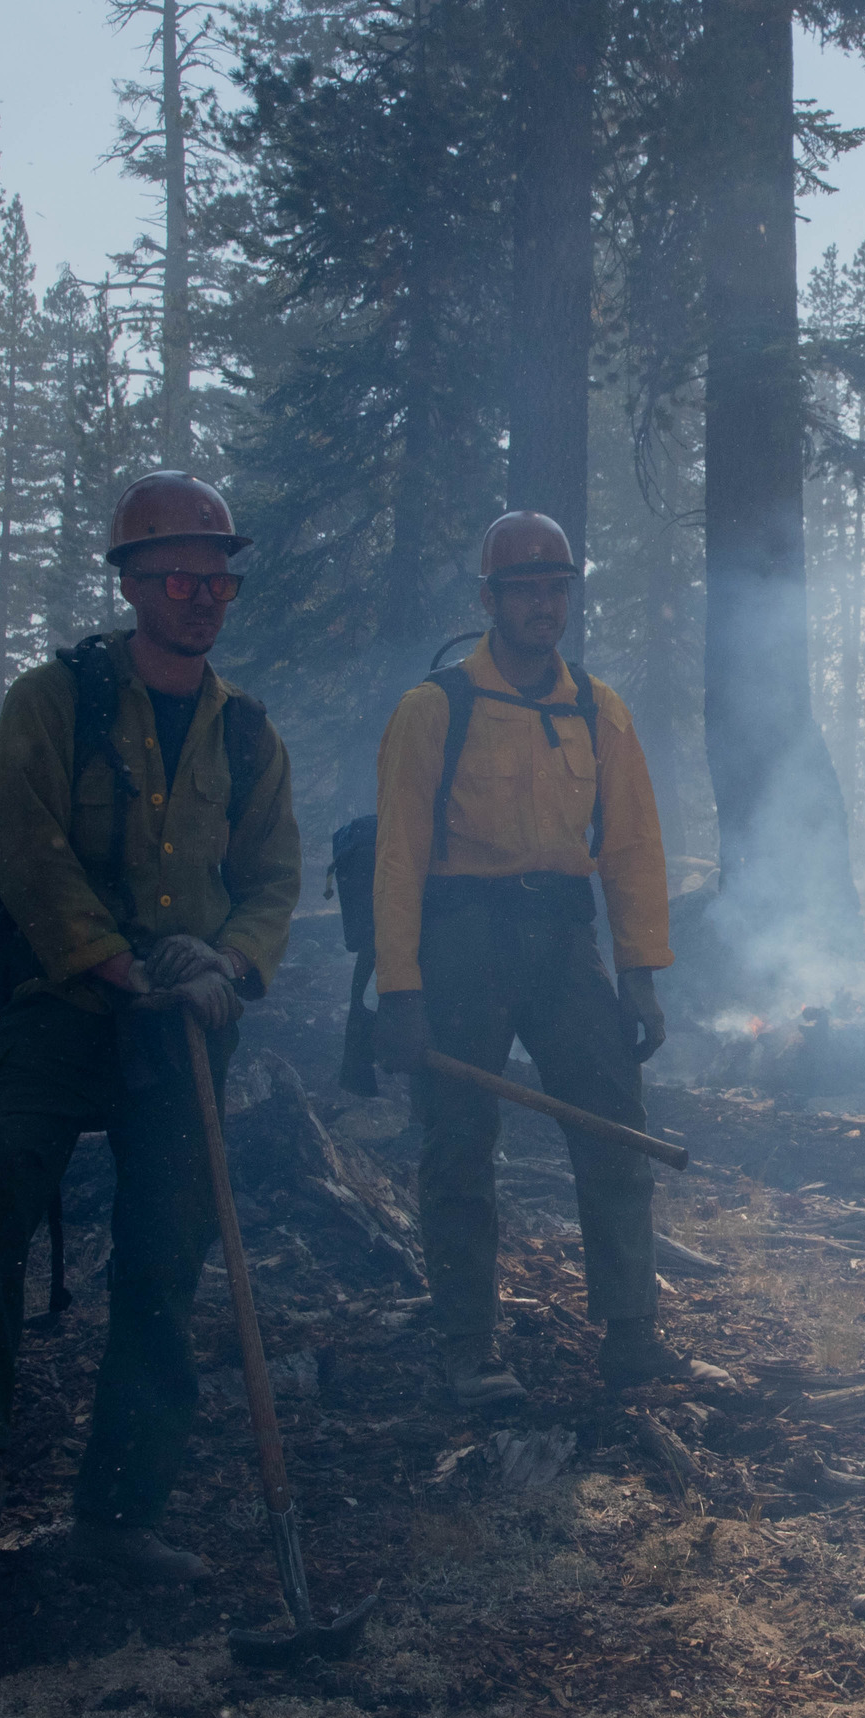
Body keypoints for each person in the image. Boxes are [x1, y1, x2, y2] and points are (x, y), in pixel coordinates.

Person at [0, 471, 300, 1583]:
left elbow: (273, 879)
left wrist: (229, 965)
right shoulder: (55, 701)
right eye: (182, 575)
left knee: (166, 1247)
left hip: (183, 1029)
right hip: (62, 1005)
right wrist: (116, 965)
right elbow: (30, 852)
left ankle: (118, 1515)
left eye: (221, 579)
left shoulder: (246, 734)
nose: (204, 596)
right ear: (135, 583)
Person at [367, 510, 678, 1400]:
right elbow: (398, 857)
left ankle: (632, 1335)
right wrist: (400, 990)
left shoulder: (596, 708)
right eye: (527, 588)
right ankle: (468, 1345)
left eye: (558, 587)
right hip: (461, 940)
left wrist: (640, 977)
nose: (546, 604)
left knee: (616, 1125)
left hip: (562, 941)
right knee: (460, 1142)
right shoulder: (435, 711)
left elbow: (630, 848)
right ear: (490, 599)